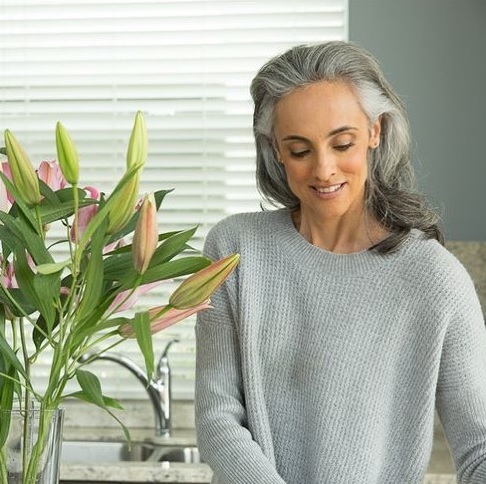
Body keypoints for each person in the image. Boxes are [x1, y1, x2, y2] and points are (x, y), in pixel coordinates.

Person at [194, 41, 486, 483]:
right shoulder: (234, 249)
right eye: (299, 150)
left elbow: (478, 447)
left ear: (375, 132)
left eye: (342, 142)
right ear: (275, 149)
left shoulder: (435, 278)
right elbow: (217, 418)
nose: (324, 170)